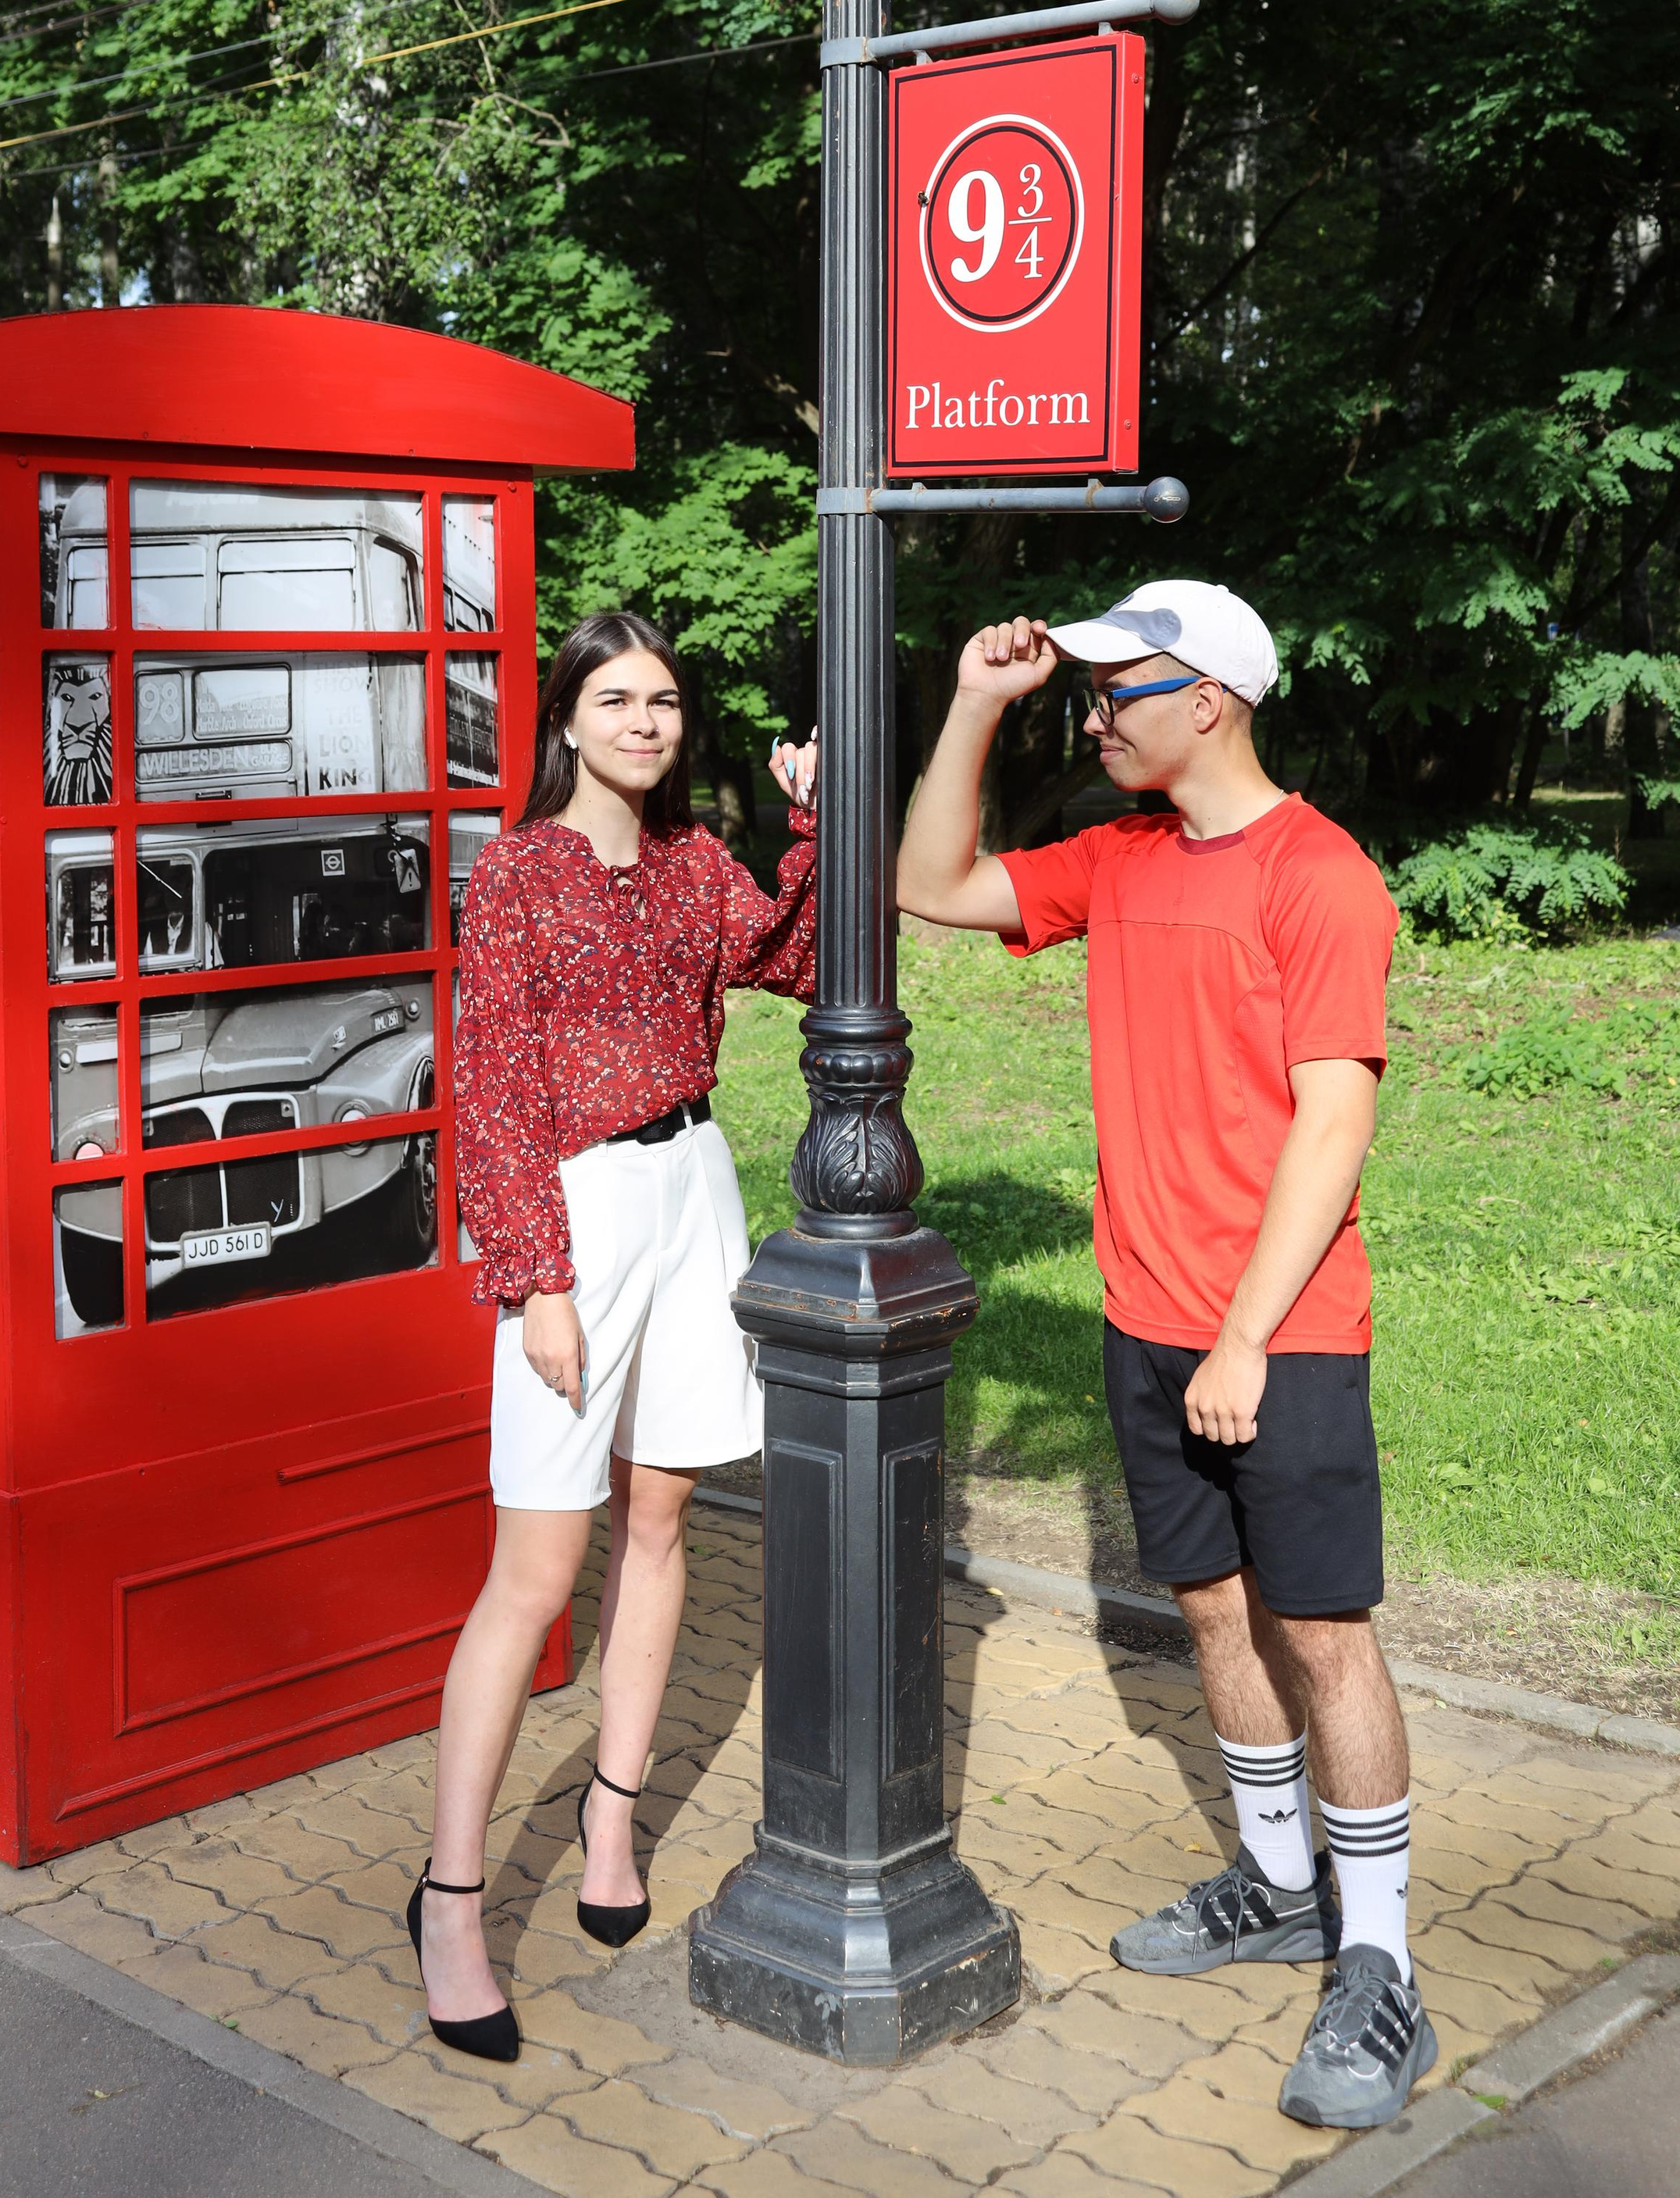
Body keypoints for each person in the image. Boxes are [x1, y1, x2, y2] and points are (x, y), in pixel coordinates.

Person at [895, 580, 1433, 2135]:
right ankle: (1275, 1883)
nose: (1094, 718)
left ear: (1207, 700)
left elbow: (1332, 1124)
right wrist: (975, 701)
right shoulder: (1118, 861)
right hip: (1145, 1321)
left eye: (1114, 692)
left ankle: (1381, 1964)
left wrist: (1245, 1337)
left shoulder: (1319, 876)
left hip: (1280, 1331)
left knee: (1321, 1632)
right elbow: (928, 884)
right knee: (1207, 1605)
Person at [409, 608, 819, 2061]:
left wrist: (814, 824)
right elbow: (492, 1086)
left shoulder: (698, 863)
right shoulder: (518, 872)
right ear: (566, 722)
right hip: (577, 1214)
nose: (646, 723)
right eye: (617, 701)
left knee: (660, 1518)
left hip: (696, 1188)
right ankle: (452, 1901)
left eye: (664, 702)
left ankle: (610, 1820)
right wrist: (536, 1279)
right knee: (536, 1572)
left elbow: (797, 961)